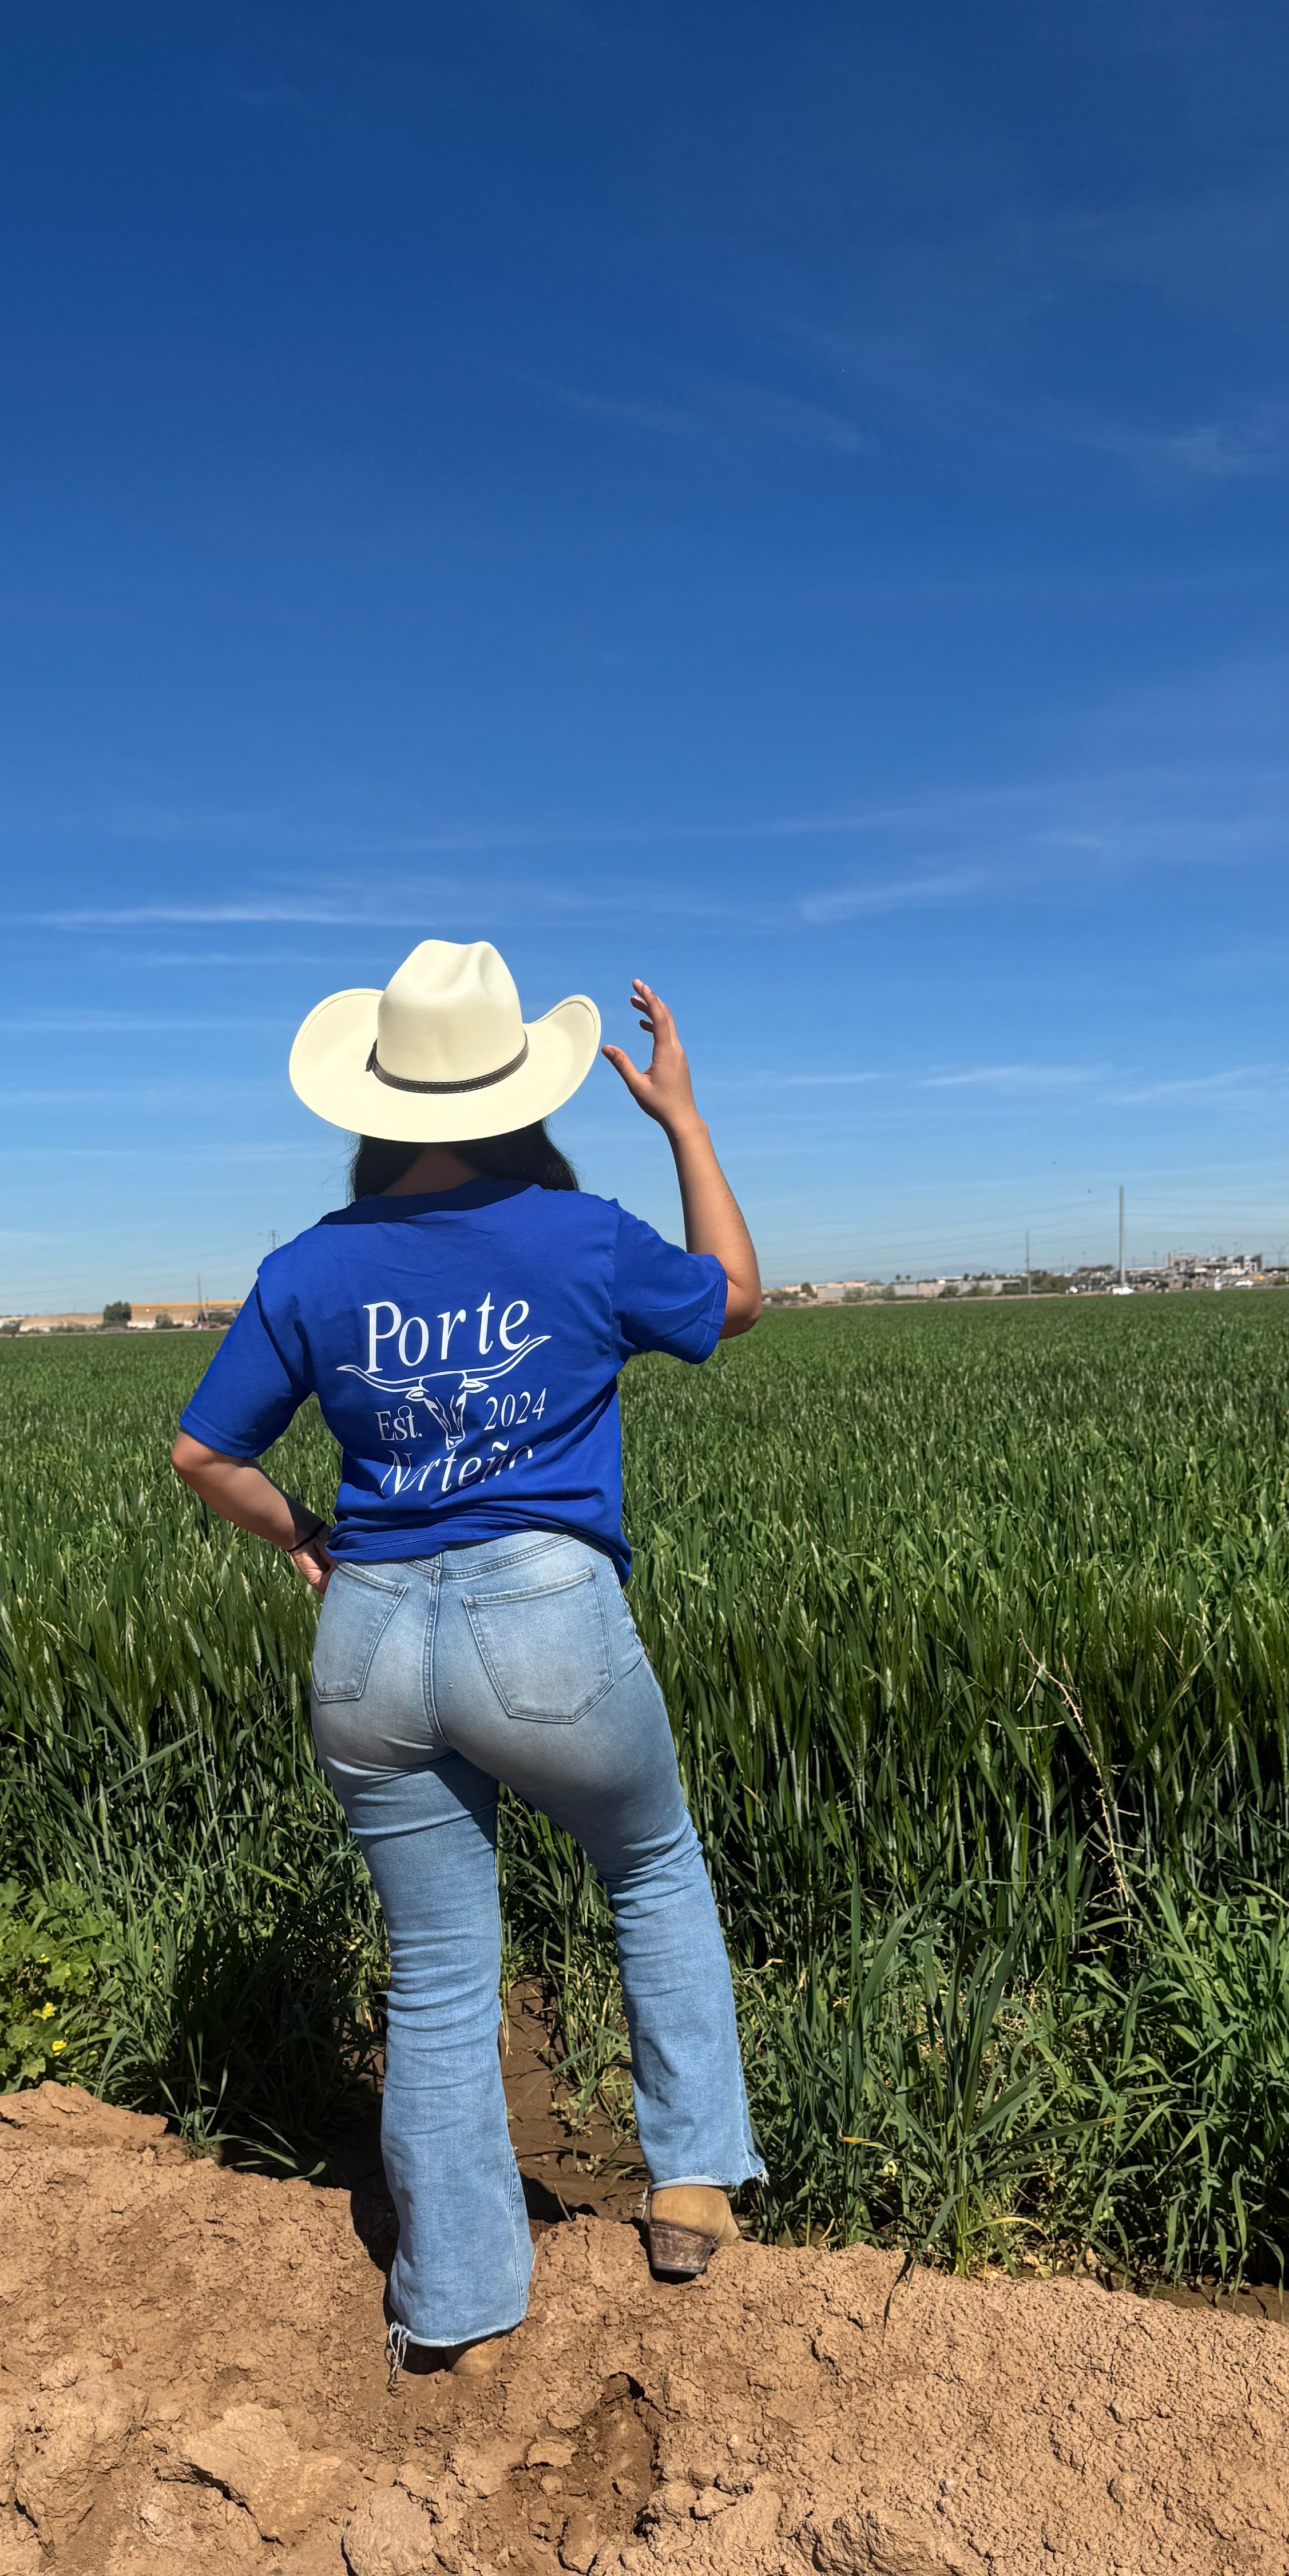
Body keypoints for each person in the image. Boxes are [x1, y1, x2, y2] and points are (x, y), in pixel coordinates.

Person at [171, 938, 766, 2377]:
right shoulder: (578, 1233)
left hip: (366, 1637)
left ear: (379, 1103)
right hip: (545, 1615)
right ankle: (689, 2184)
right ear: (519, 1094)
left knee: (439, 1968)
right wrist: (683, 1117)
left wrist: (306, 1534)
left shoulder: (310, 1265)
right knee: (649, 1863)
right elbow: (733, 1299)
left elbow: (203, 1450)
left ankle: (456, 2300)